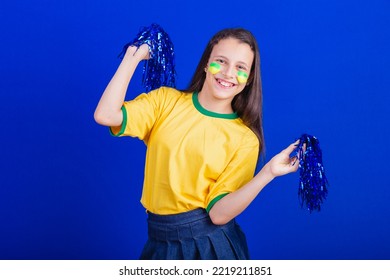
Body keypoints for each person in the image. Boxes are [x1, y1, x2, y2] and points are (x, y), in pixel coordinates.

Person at [94, 27, 299, 260]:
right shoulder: (165, 102)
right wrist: (133, 58)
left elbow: (219, 214)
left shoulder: (245, 139)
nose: (229, 73)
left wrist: (268, 173)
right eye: (221, 61)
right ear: (205, 64)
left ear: (249, 78)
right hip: (158, 238)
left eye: (241, 68)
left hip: (208, 247)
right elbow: (106, 115)